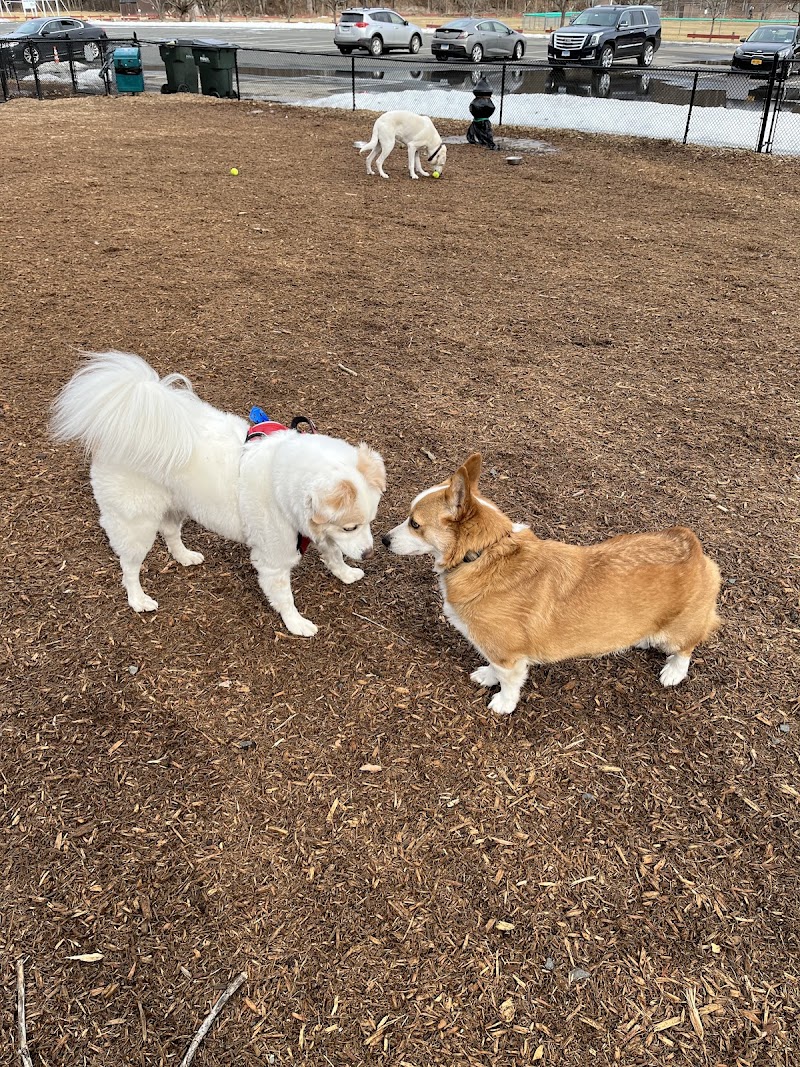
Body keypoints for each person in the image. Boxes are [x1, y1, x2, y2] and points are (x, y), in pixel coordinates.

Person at [466, 76, 498, 151]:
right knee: (481, 132)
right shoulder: (478, 103)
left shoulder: (482, 103)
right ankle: (483, 141)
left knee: (485, 133)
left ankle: (487, 142)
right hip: (478, 119)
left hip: (481, 119)